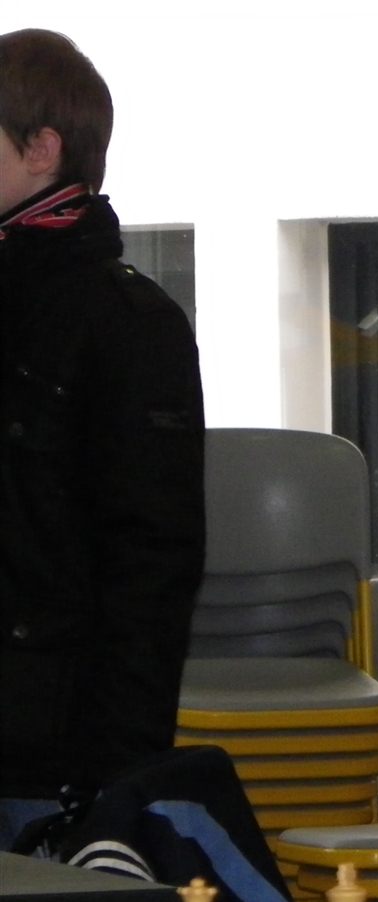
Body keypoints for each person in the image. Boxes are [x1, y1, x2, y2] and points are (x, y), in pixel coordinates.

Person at [0, 29, 205, 846]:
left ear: (41, 149)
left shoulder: (128, 321)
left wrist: (113, 780)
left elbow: (151, 565)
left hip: (44, 755)